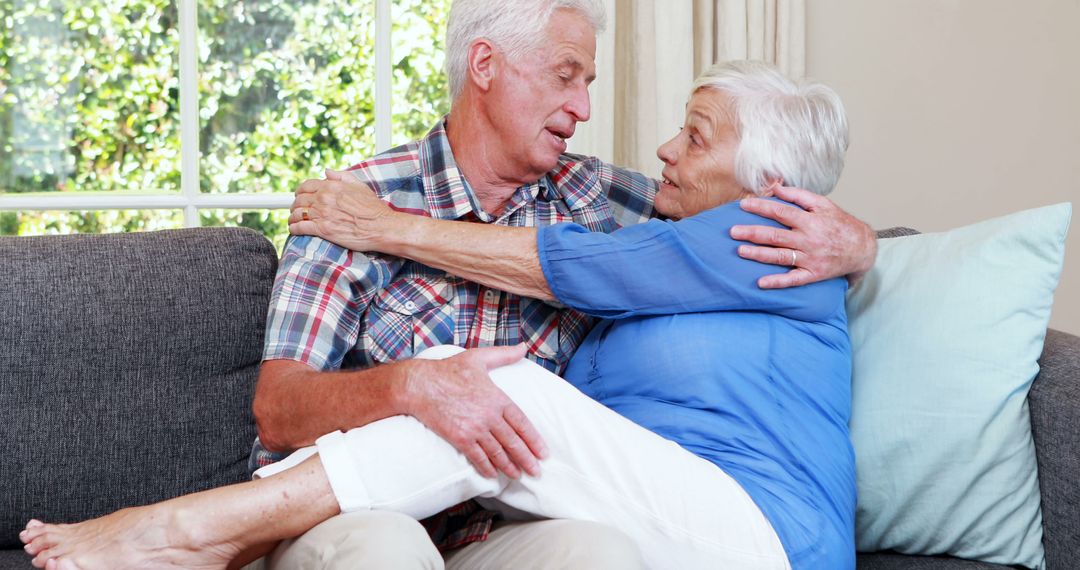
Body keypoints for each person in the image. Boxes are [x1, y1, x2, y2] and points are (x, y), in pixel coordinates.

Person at [20, 0, 873, 566]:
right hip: (363, 518)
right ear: (488, 66)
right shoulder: (365, 195)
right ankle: (205, 531)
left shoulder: (636, 210)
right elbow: (278, 407)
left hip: (522, 519)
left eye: (589, 83)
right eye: (565, 76)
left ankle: (192, 528)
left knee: (543, 457)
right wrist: (408, 389)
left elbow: (584, 263)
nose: (586, 110)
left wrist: (863, 240)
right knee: (420, 498)